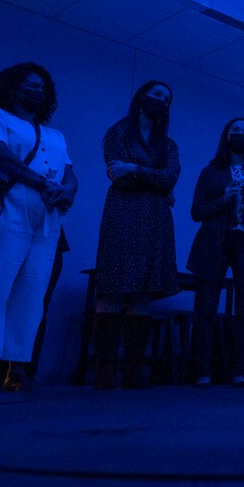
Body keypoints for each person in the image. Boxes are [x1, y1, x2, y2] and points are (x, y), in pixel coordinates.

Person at [0, 63, 77, 391]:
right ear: (11, 87)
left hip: (47, 221)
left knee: (31, 295)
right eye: (29, 85)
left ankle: (16, 368)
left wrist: (67, 190)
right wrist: (43, 184)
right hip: (4, 212)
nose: (36, 92)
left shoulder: (55, 135)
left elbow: (69, 174)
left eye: (41, 87)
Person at [93, 81, 179, 389]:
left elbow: (171, 176)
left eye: (167, 99)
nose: (162, 100)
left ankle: (132, 373)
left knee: (145, 291)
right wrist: (156, 182)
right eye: (157, 94)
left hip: (155, 222)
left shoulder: (168, 145)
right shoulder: (117, 133)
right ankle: (104, 373)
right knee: (113, 289)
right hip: (122, 215)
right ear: (141, 98)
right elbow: (120, 179)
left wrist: (134, 168)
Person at [188, 117, 244, 388]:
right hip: (214, 241)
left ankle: (239, 372)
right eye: (235, 130)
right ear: (226, 135)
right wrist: (223, 199)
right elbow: (196, 212)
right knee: (206, 308)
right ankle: (203, 373)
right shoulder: (211, 171)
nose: (240, 134)